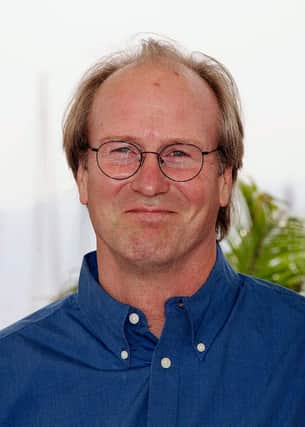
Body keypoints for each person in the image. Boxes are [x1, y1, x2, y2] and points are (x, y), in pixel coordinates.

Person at [1, 38, 304, 427]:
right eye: (122, 150)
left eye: (179, 153)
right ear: (82, 176)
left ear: (225, 178)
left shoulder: (298, 355)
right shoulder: (8, 379)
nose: (149, 183)